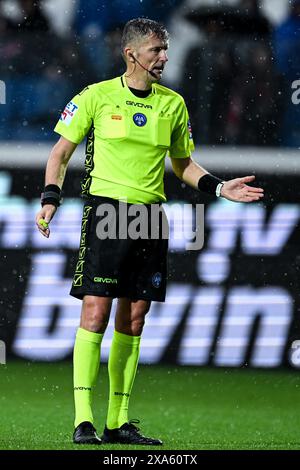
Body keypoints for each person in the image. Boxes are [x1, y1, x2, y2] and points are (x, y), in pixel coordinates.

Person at [35, 17, 264, 446]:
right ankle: (83, 419)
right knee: (95, 312)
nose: (164, 57)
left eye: (166, 49)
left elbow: (182, 164)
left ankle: (118, 421)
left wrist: (219, 186)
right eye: (156, 49)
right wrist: (51, 197)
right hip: (107, 212)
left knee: (135, 317)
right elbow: (61, 153)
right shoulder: (95, 97)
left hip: (150, 216)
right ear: (131, 53)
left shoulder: (173, 104)